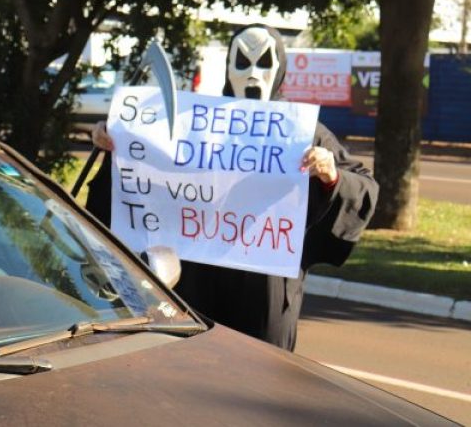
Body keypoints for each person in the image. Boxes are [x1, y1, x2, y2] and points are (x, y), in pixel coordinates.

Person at [86, 24, 378, 351]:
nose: (253, 72)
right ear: (228, 66)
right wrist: (117, 142)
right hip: (196, 280)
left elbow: (362, 188)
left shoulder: (304, 133)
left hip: (265, 288)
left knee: (261, 377)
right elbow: (142, 171)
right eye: (243, 61)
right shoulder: (192, 124)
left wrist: (329, 174)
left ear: (280, 67)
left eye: (264, 62)